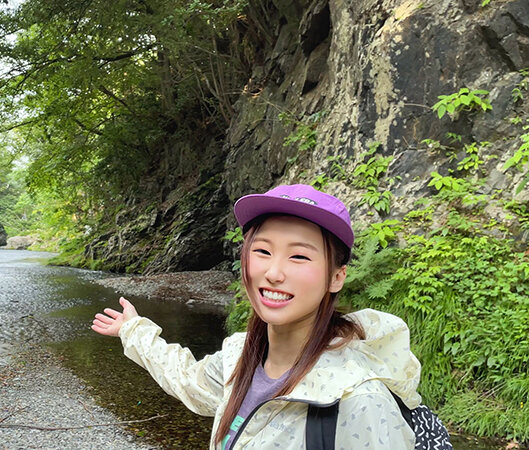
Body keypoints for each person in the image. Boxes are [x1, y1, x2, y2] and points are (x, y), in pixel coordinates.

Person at [92, 184, 421, 449]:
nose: (273, 273)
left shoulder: (359, 401)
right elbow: (189, 379)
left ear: (337, 277)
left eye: (299, 256)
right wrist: (132, 329)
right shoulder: (241, 356)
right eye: (262, 251)